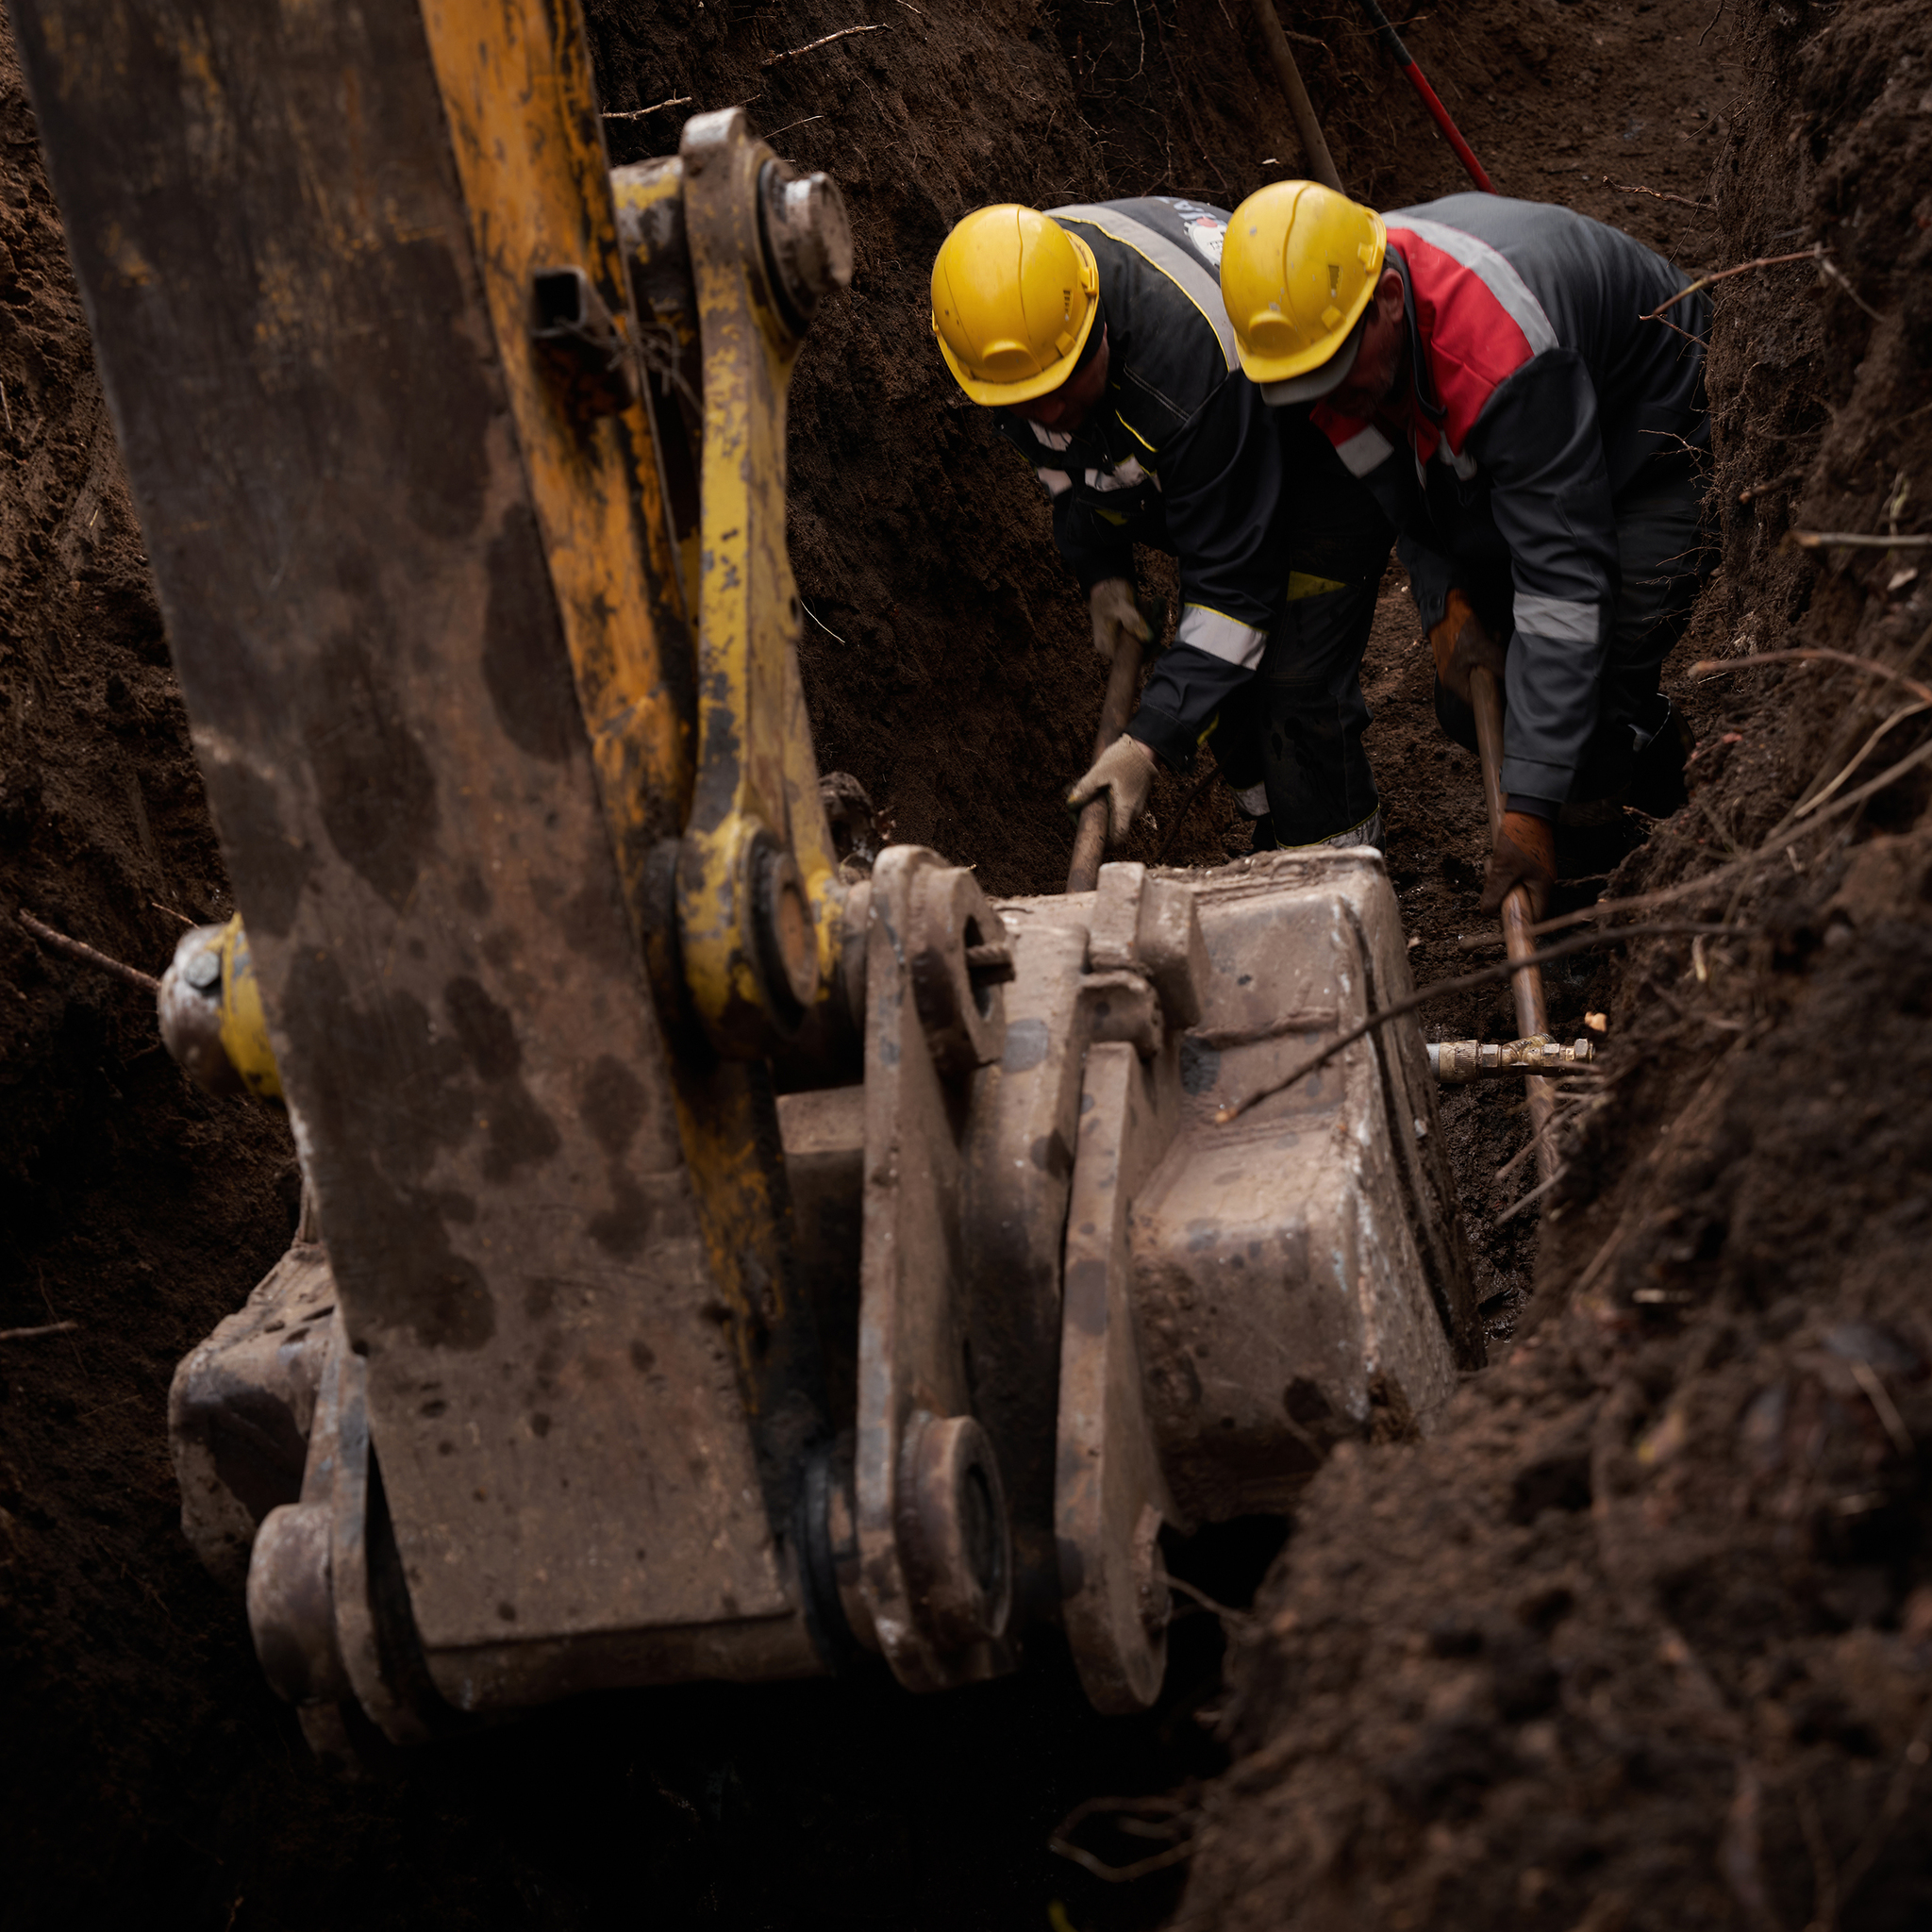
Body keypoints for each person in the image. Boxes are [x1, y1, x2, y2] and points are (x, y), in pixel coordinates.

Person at [1218, 182, 1714, 916]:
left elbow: (1566, 593)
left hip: (1655, 436)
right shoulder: (1321, 345)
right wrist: (1442, 597)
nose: (1332, 398)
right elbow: (1407, 492)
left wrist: (1531, 805)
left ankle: (1594, 892)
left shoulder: (1498, 356)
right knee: (1482, 701)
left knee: (1595, 689)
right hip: (1545, 436)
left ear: (1390, 297)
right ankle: (1651, 765)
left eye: (1338, 374)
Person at [928, 199, 1393, 850]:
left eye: (1065, 383)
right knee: (1220, 690)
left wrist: (1146, 744)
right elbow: (1073, 471)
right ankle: (1273, 828)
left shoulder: (1186, 376)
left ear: (1099, 323)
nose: (1053, 410)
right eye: (1027, 402)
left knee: (1293, 685)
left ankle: (1341, 863)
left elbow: (1234, 592)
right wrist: (1102, 571)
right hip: (1221, 465)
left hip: (1331, 454)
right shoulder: (1011, 322)